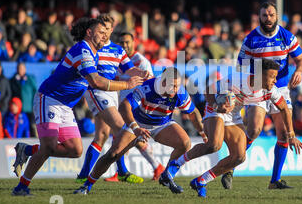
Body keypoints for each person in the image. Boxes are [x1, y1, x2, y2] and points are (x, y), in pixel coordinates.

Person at [11, 17, 145, 196]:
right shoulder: (83, 50)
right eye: (101, 32)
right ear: (89, 32)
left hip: (66, 106)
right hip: (49, 99)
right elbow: (96, 81)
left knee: (75, 150)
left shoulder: (94, 53)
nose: (105, 36)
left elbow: (106, 78)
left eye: (107, 33)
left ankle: (26, 149)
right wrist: (127, 85)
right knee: (49, 146)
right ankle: (21, 187)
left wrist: (140, 76)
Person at [173, 59, 302, 197]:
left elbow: (284, 108)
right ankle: (177, 164)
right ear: (260, 75)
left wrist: (291, 135)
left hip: (233, 114)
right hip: (216, 109)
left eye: (276, 77)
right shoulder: (238, 79)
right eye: (272, 76)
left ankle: (201, 181)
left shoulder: (271, 91)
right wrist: (216, 106)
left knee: (240, 157)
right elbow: (209, 89)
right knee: (213, 145)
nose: (275, 80)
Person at [73, 67, 207, 195]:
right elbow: (124, 106)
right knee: (113, 154)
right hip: (139, 123)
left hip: (162, 124)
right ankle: (87, 185)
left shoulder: (180, 92)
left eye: (178, 85)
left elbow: (193, 113)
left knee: (185, 143)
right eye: (173, 85)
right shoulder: (149, 87)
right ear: (164, 82)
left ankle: (167, 175)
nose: (176, 89)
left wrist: (202, 132)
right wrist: (135, 128)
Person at [229, 1, 302, 190]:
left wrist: (300, 71)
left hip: (280, 88)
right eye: (264, 15)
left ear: (277, 16)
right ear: (259, 17)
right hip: (257, 89)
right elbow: (242, 66)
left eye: (271, 15)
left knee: (282, 134)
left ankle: (274, 181)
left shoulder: (286, 36)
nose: (268, 18)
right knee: (254, 129)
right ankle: (230, 166)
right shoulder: (251, 39)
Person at [76, 15, 160, 185]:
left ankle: (83, 175)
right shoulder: (93, 48)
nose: (105, 32)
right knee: (122, 128)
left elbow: (130, 69)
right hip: (97, 91)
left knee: (101, 135)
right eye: (102, 29)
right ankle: (122, 172)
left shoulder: (118, 50)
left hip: (112, 92)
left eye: (107, 29)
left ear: (112, 30)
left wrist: (143, 75)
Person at [9, 62, 37, 136]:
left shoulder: (30, 79)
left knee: (31, 126)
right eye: (19, 68)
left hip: (28, 109)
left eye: (22, 68)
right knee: (18, 127)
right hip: (17, 110)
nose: (21, 70)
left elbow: (35, 92)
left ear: (25, 69)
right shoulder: (13, 80)